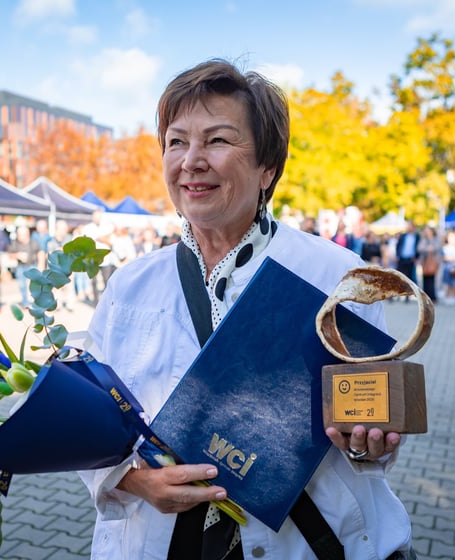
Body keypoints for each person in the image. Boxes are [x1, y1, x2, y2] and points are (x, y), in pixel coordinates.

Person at [78, 59, 415, 560]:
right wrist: (133, 480)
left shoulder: (333, 275)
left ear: (267, 168)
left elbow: (369, 427)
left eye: (217, 140)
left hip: (307, 544)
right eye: (176, 141)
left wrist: (370, 442)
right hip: (160, 543)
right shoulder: (129, 286)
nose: (192, 160)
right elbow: (94, 422)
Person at [9, 225, 42, 308]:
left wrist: (41, 266)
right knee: (22, 285)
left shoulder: (34, 242)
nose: (19, 237)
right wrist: (17, 255)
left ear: (27, 234)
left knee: (34, 286)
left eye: (21, 235)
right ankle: (25, 302)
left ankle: (36, 302)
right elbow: (10, 255)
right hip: (21, 267)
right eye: (18, 234)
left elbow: (40, 253)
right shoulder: (15, 242)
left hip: (32, 265)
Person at [417, 225, 441, 303]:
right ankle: (425, 297)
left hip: (434, 262)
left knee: (432, 280)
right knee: (425, 280)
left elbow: (436, 247)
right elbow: (420, 248)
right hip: (424, 262)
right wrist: (428, 248)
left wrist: (430, 248)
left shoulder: (436, 239)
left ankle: (433, 297)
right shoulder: (424, 239)